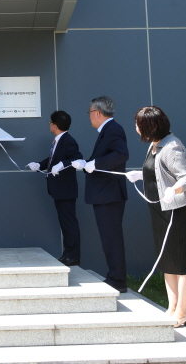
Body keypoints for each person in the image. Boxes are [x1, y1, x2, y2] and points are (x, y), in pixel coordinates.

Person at [127, 106, 186, 328]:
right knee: (167, 261)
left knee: (181, 262)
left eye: (138, 124)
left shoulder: (172, 146)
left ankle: (183, 313)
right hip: (159, 211)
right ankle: (172, 308)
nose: (136, 128)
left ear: (150, 126)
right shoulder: (154, 145)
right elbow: (157, 172)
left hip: (177, 212)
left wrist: (173, 190)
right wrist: (141, 175)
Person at [74, 96, 129, 293]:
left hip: (109, 193)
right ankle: (114, 277)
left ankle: (118, 280)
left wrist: (95, 164)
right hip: (106, 193)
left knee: (111, 238)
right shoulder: (108, 129)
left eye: (90, 112)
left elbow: (121, 154)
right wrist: (86, 164)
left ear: (97, 113)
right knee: (109, 238)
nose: (89, 116)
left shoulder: (113, 129)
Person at [27, 111, 84, 266]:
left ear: (55, 125)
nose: (49, 124)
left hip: (66, 190)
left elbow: (77, 158)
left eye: (50, 122)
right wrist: (39, 165)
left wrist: (63, 164)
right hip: (60, 190)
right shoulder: (59, 140)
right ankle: (68, 254)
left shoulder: (68, 141)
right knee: (65, 223)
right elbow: (52, 160)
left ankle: (73, 256)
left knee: (69, 223)